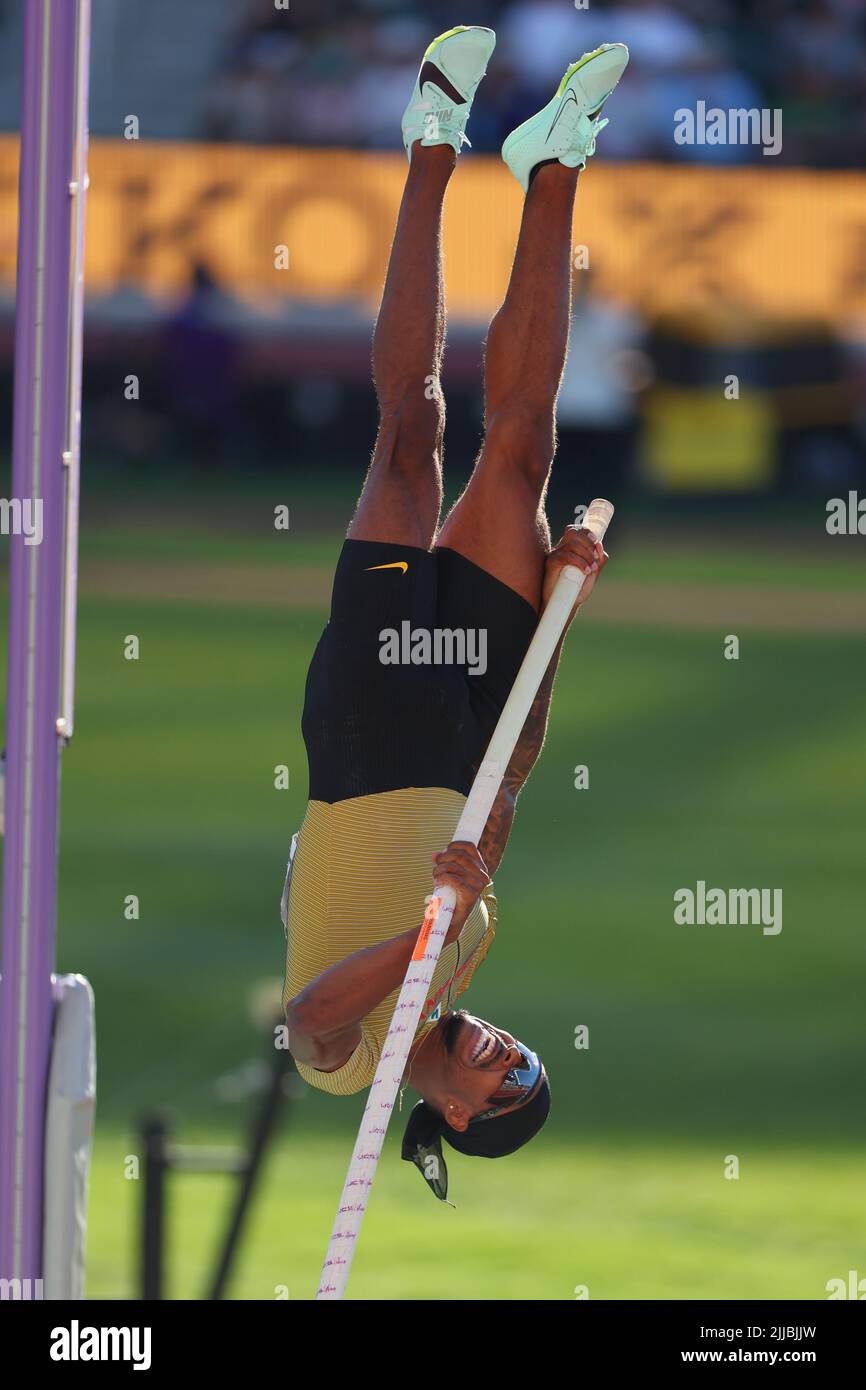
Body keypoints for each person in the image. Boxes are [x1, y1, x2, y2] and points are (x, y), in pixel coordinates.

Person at [281, 26, 626, 1201]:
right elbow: (511, 766)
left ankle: (431, 136)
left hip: (367, 736)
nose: (507, 1058)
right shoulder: (474, 938)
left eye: (502, 1087)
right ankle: (554, 158)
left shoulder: (353, 1070)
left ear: (454, 1115)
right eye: (528, 1062)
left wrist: (420, 939)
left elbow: (305, 1016)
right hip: (468, 710)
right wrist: (563, 599)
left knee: (408, 438)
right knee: (522, 450)